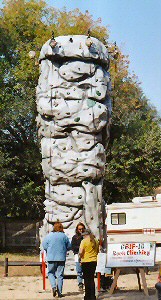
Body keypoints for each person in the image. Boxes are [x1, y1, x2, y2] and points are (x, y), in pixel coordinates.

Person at [42, 222, 71, 298]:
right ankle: (60, 292)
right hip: (61, 258)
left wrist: (49, 250)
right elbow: (69, 246)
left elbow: (44, 245)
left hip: (51, 257)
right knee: (60, 275)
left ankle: (54, 286)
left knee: (51, 273)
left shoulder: (49, 236)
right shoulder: (64, 236)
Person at [79, 229, 99, 300]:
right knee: (91, 279)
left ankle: (87, 296)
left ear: (85, 235)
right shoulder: (95, 241)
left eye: (83, 235)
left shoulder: (83, 241)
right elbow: (97, 251)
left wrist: (80, 257)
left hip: (86, 261)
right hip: (94, 261)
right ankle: (93, 296)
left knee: (87, 280)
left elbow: (81, 252)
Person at [71, 222, 85, 291]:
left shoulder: (86, 237)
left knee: (85, 271)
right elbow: (72, 247)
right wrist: (80, 248)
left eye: (82, 229)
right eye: (79, 229)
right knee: (79, 271)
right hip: (77, 255)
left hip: (86, 256)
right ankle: (80, 283)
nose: (81, 230)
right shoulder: (75, 237)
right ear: (77, 229)